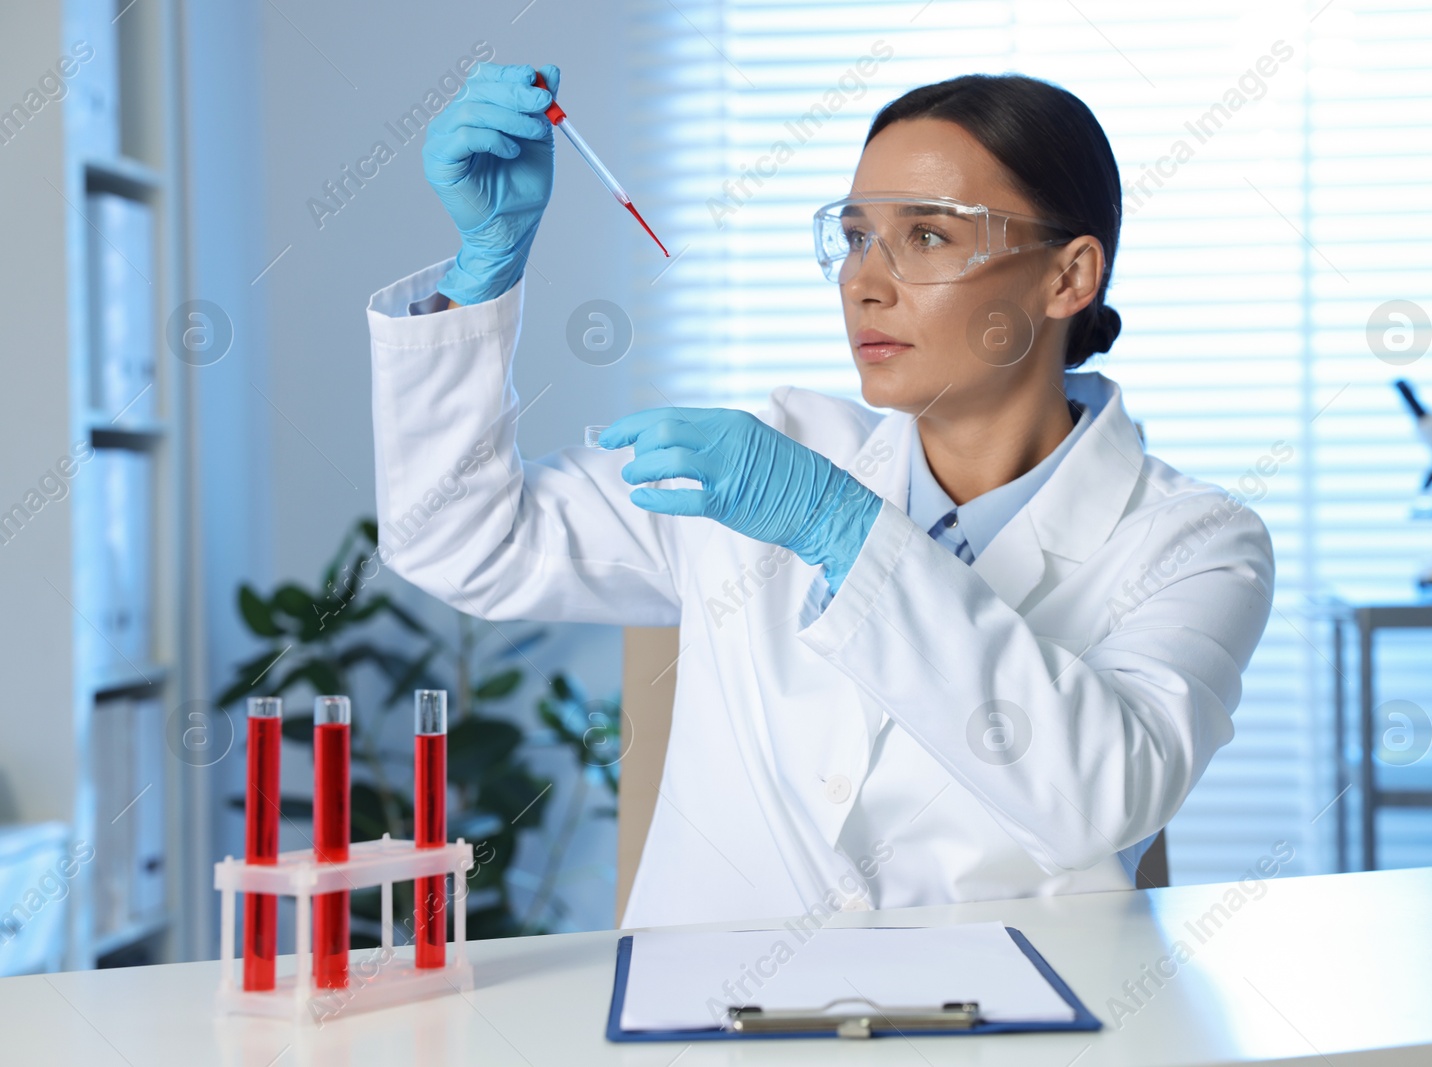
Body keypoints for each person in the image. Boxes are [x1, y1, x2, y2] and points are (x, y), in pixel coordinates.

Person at [366, 63, 1275, 928]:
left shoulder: (1195, 543)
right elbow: (455, 537)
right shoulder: (771, 461)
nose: (863, 283)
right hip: (708, 1024)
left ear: (1069, 275)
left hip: (1006, 1027)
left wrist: (845, 528)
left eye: (927, 236)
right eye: (853, 237)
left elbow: (1099, 801)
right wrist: (482, 272)